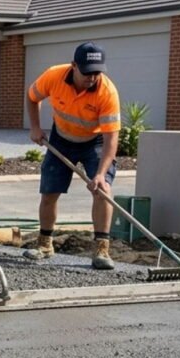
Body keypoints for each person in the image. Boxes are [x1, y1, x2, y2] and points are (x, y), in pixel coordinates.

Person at [24, 42, 121, 269]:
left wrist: (100, 174)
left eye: (97, 72)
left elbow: (111, 139)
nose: (92, 77)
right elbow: (32, 97)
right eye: (87, 72)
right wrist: (35, 127)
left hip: (94, 142)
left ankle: (101, 250)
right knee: (49, 192)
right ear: (74, 66)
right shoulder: (54, 76)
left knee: (103, 190)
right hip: (61, 138)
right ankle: (45, 244)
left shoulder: (107, 92)